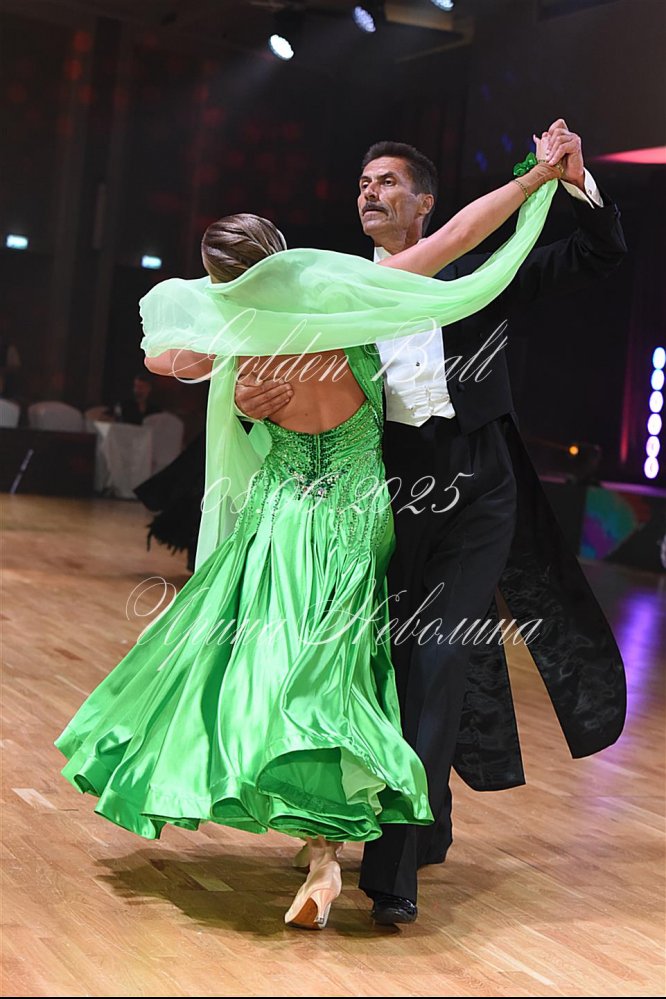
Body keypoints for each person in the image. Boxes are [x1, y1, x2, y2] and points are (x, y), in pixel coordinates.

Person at [54, 147, 561, 930]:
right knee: (337, 675)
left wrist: (224, 335)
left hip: (285, 517)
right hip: (358, 519)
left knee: (257, 664)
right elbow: (459, 237)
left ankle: (308, 834)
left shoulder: (244, 338)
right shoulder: (344, 302)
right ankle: (327, 846)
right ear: (284, 255)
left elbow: (162, 354)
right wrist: (532, 181)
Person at [234, 121, 628, 925]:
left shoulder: (478, 270)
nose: (369, 192)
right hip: (383, 491)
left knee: (440, 656)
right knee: (384, 666)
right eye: (362, 184)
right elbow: (275, 372)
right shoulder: (342, 291)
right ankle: (414, 819)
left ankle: (394, 874)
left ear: (425, 203)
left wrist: (576, 184)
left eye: (386, 181)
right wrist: (251, 401)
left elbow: (597, 254)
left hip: (479, 488)